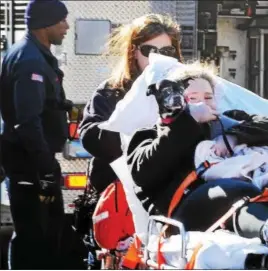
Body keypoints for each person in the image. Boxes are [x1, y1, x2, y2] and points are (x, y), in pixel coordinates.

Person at [78, 13, 183, 269]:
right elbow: (90, 134)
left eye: (167, 50)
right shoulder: (112, 91)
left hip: (168, 200)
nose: (158, 57)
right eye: (150, 50)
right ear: (134, 52)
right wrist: (133, 133)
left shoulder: (185, 88)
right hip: (119, 203)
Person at [127, 62, 268, 237]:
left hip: (253, 189)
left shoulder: (230, 121)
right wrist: (188, 121)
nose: (202, 104)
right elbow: (143, 173)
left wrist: (233, 137)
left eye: (208, 97)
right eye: (192, 98)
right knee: (234, 191)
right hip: (190, 209)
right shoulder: (149, 135)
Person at [0, 0, 71, 269]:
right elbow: (27, 121)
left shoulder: (35, 54)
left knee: (48, 234)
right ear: (45, 23)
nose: (66, 26)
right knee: (33, 237)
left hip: (33, 161)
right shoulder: (29, 60)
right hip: (28, 163)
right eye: (62, 20)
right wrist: (45, 166)